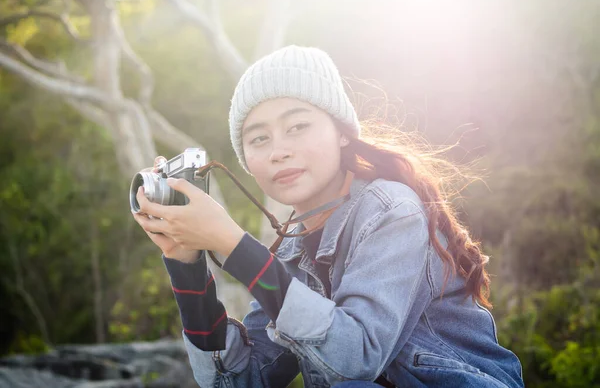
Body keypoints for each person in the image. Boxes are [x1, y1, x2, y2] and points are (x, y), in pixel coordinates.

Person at [132, 45, 524, 388]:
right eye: (258, 138)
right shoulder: (288, 251)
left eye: (298, 126)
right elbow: (234, 381)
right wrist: (185, 261)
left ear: (342, 133)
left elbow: (356, 361)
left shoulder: (392, 211)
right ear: (247, 161)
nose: (278, 151)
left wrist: (232, 244)